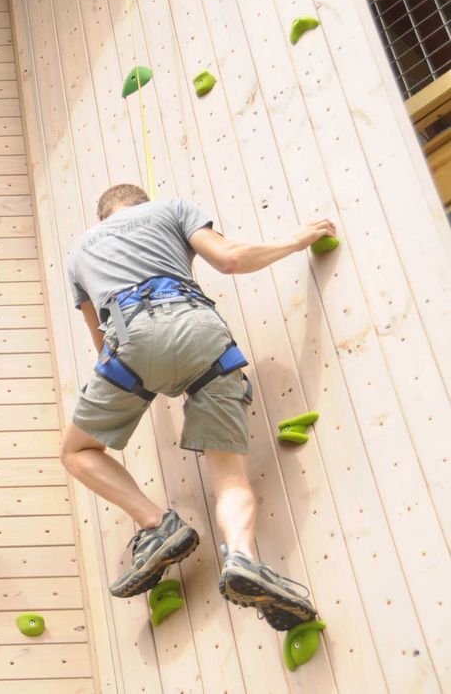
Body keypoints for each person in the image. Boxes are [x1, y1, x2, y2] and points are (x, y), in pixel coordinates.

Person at [61, 184, 335, 631]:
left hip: (130, 345)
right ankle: (243, 558)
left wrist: (140, 380)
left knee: (77, 452)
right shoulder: (171, 209)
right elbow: (229, 259)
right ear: (141, 201)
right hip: (201, 333)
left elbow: (100, 342)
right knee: (229, 475)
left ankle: (157, 523)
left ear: (103, 216)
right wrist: (298, 238)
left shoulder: (78, 254)